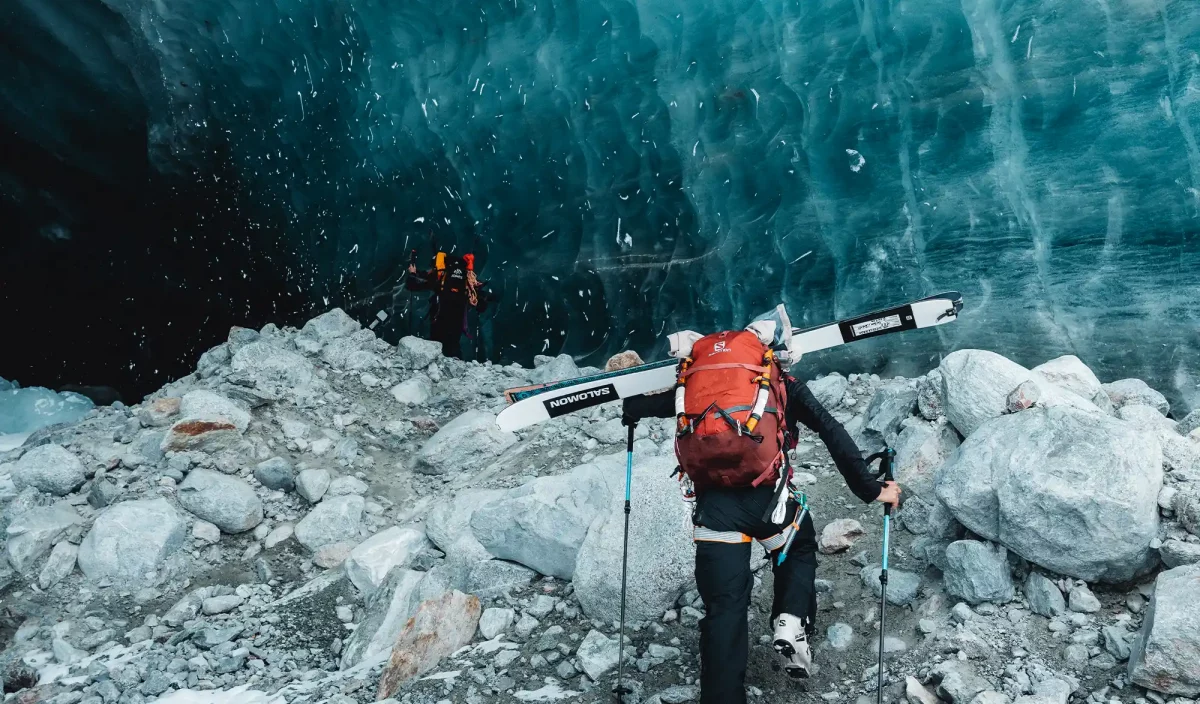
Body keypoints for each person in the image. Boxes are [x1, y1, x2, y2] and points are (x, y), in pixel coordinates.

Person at [621, 361, 901, 704]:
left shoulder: (696, 389)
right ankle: (790, 619)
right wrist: (871, 489)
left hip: (716, 515)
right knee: (797, 547)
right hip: (770, 507)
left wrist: (631, 409)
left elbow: (639, 406)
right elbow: (831, 429)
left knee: (725, 608)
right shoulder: (781, 384)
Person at [405, 251, 492, 358]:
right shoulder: (465, 280)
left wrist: (413, 273)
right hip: (457, 323)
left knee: (437, 347)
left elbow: (412, 284)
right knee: (453, 346)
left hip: (440, 320)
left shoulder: (441, 279)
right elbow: (481, 304)